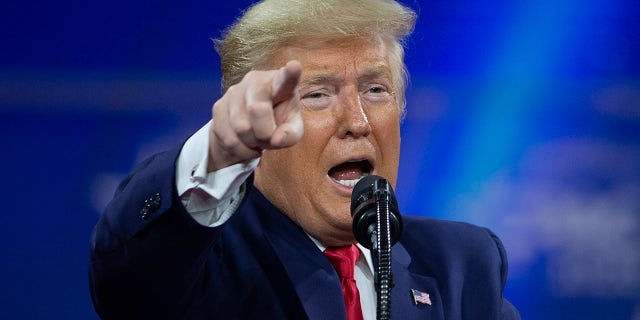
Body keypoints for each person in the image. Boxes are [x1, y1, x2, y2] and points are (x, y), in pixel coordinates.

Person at [89, 0, 521, 319]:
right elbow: (127, 272)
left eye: (376, 90)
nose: (358, 121)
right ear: (254, 125)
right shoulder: (203, 266)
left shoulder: (463, 266)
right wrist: (218, 151)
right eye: (317, 95)